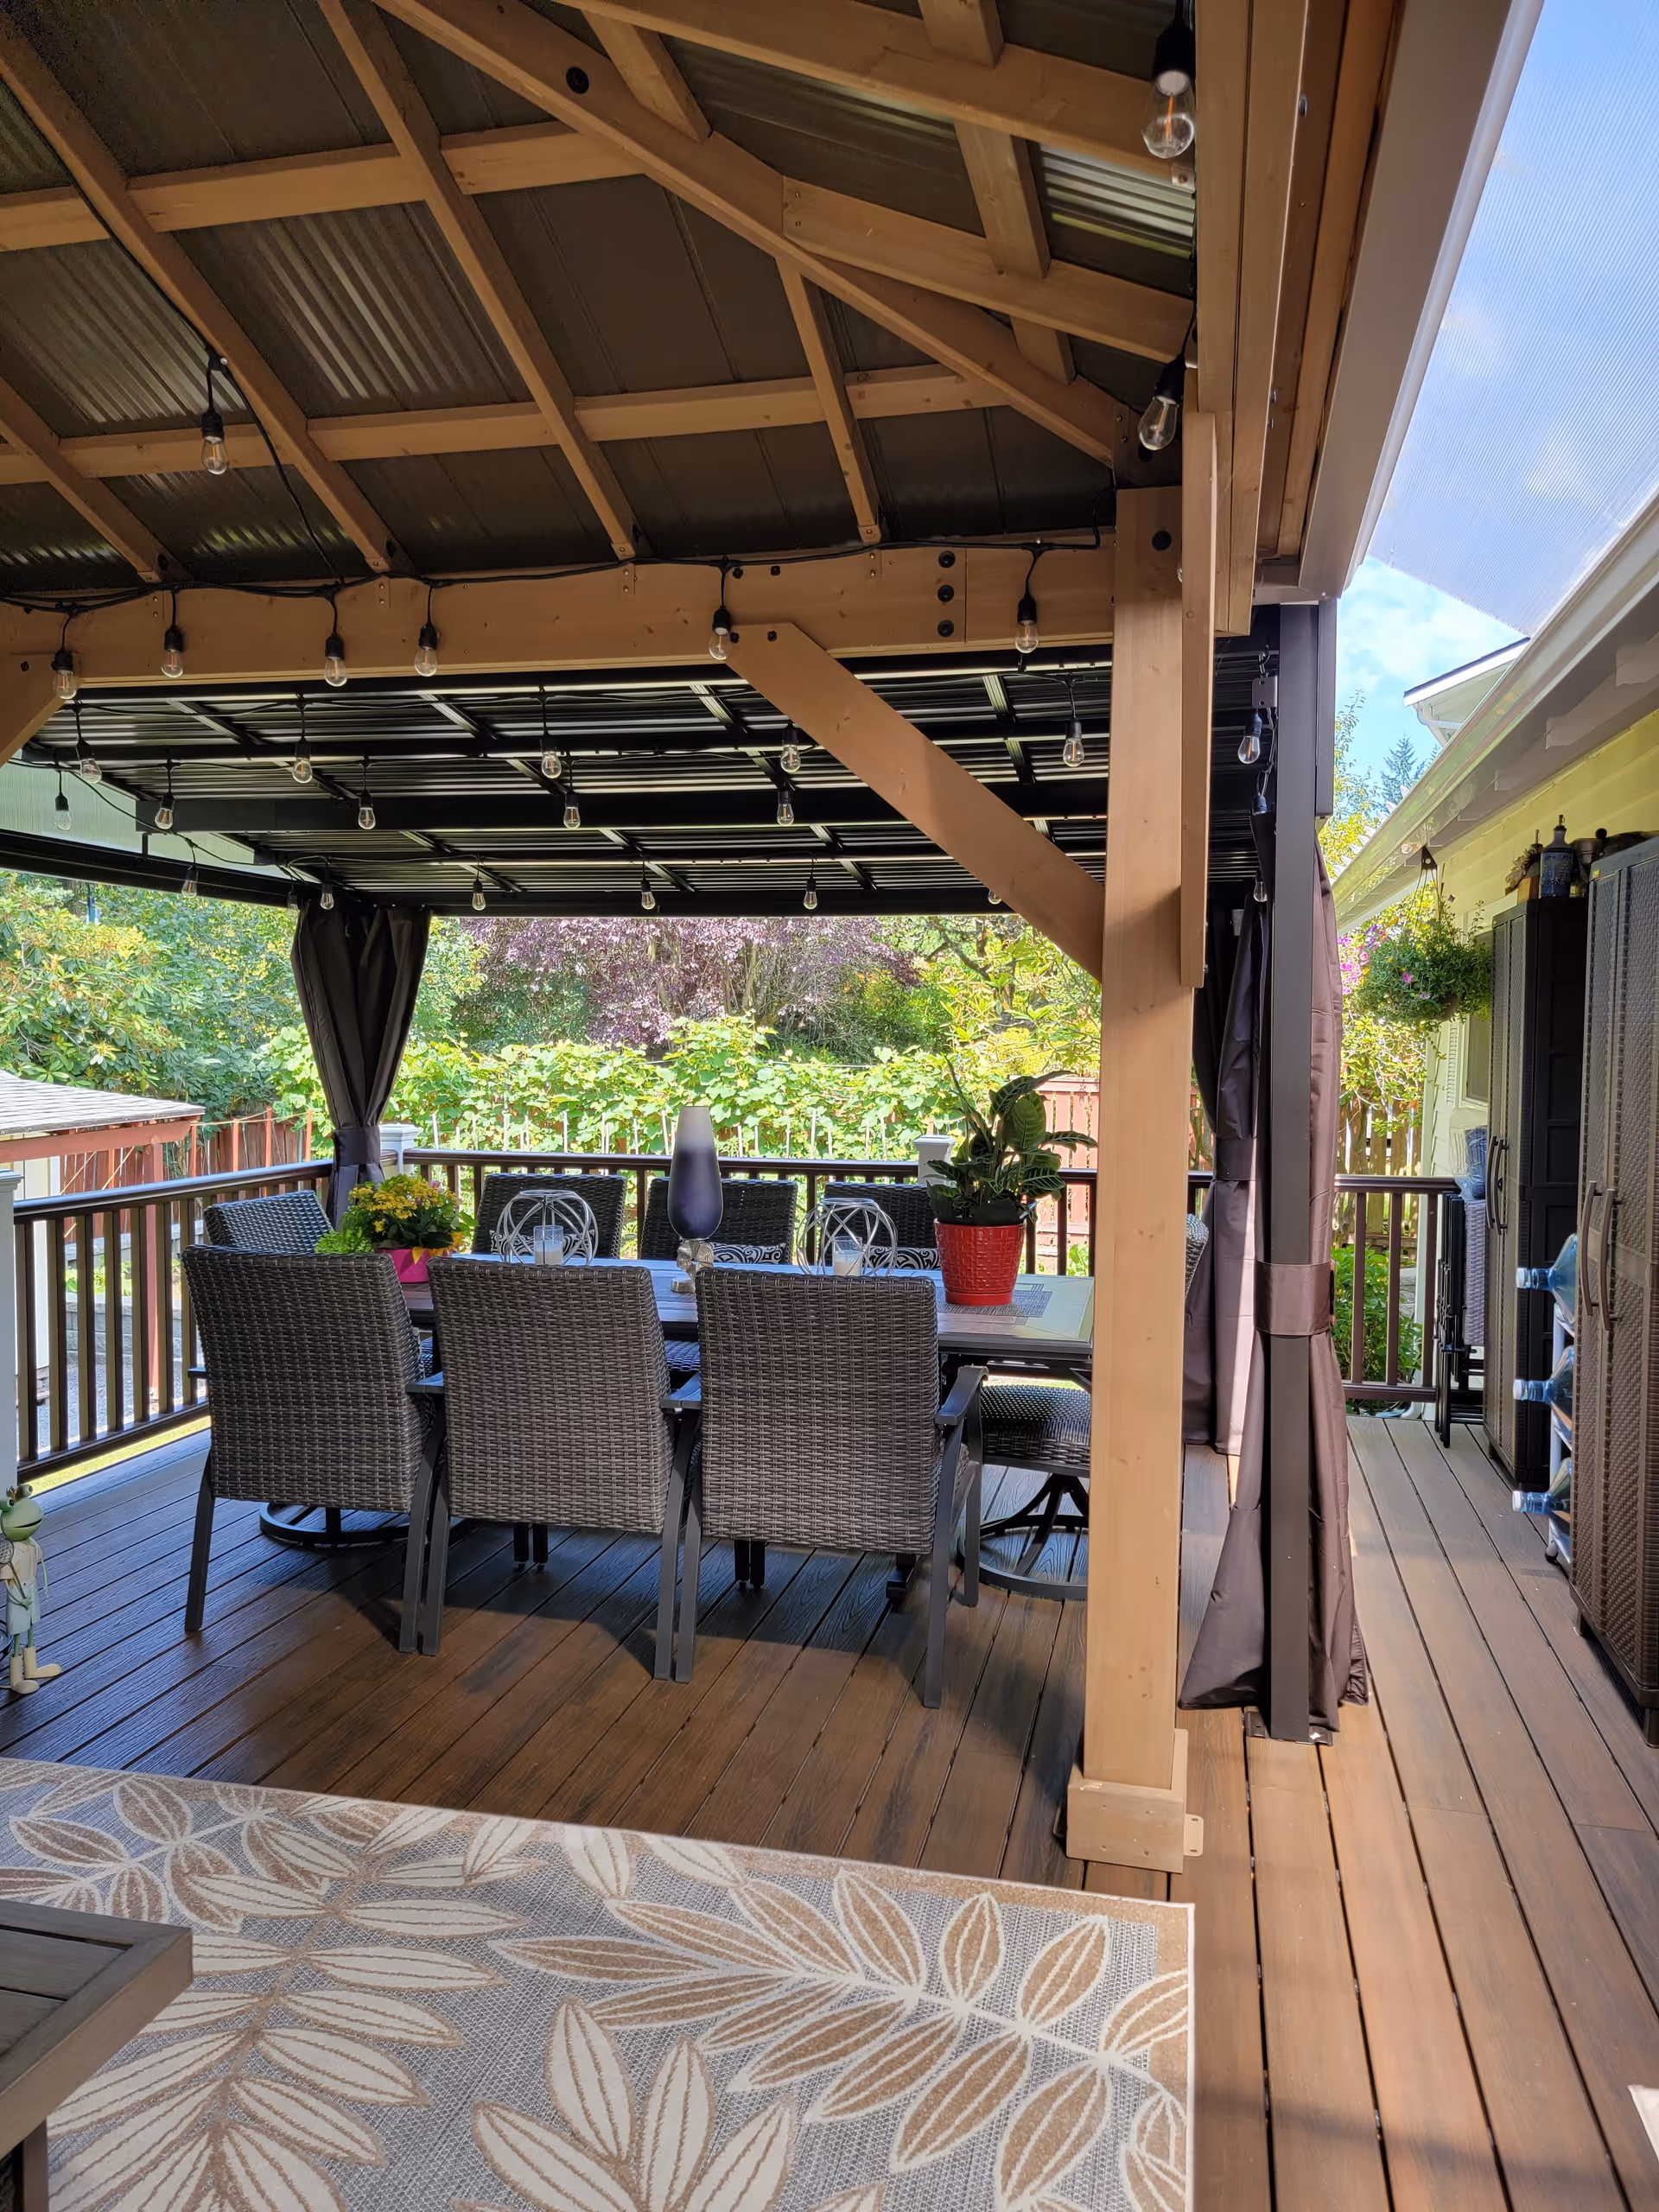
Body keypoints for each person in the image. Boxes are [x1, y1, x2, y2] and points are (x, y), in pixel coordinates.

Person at [1, 1486, 59, 1695]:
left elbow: (38, 1560)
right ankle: (16, 1678)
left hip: (32, 1590)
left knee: (32, 1628)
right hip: (19, 1596)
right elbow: (8, 1581)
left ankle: (32, 1668)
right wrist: (19, 1599)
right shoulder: (12, 1552)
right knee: (18, 1634)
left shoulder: (32, 1544)